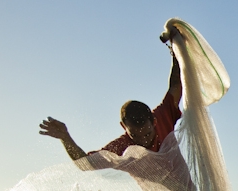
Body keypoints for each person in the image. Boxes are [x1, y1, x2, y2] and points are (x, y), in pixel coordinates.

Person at [39, 33, 182, 160]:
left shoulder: (163, 115)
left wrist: (176, 51)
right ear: (123, 127)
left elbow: (176, 83)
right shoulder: (122, 146)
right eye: (135, 136)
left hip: (187, 187)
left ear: (154, 122)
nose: (143, 142)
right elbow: (85, 163)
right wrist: (65, 137)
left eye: (147, 134)